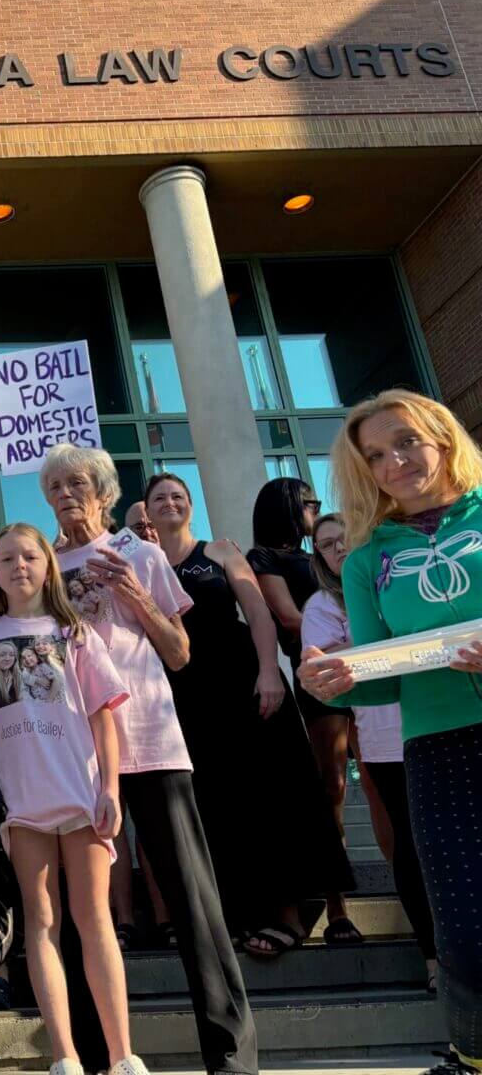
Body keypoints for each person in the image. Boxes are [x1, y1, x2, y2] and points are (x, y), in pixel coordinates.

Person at [42, 442, 256, 1075]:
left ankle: (231, 1056)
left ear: (105, 494)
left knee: (192, 900)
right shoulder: (44, 565)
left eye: (76, 484)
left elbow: (180, 652)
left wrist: (137, 595)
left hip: (153, 741)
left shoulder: (143, 554)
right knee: (86, 909)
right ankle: (94, 1052)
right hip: (76, 754)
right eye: (53, 487)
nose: (64, 496)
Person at [297, 388, 482, 1075]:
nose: (395, 461)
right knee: (464, 937)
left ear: (440, 436)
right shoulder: (370, 559)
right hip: (436, 749)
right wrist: (336, 678)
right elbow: (384, 673)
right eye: (376, 455)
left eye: (406, 441)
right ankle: (474, 1055)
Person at [144, 473, 354, 955]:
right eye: (160, 498)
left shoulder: (220, 552)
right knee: (217, 803)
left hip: (243, 681)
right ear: (149, 513)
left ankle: (289, 916)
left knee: (269, 793)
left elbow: (258, 613)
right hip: (184, 696)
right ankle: (241, 915)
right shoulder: (146, 565)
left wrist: (268, 672)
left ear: (190, 506)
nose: (170, 503)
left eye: (178, 496)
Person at [0, 523, 145, 1075]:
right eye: (5, 560)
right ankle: (64, 1055)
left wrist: (110, 789)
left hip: (80, 792)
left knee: (94, 921)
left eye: (28, 557)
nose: (18, 566)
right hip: (22, 804)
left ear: (46, 565)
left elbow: (103, 717)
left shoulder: (76, 632)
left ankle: (121, 1056)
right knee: (40, 922)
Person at [302, 511, 436, 988]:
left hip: (443, 719)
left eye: (344, 540)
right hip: (384, 738)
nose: (338, 550)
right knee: (410, 845)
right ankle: (433, 956)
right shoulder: (321, 606)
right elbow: (323, 670)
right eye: (326, 546)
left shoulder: (399, 577)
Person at [247, 478, 362, 943]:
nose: (316, 509)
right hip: (321, 679)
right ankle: (337, 904)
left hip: (371, 670)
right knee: (331, 785)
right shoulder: (266, 558)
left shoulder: (330, 554)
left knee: (379, 779)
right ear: (290, 507)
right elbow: (291, 621)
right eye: (310, 503)